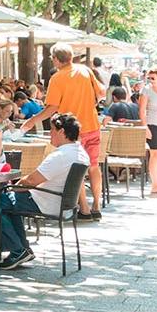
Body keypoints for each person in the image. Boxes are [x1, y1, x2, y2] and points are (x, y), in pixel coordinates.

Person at [0, 113, 90, 270]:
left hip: (45, 202)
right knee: (9, 201)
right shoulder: (81, 153)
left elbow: (32, 180)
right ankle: (21, 249)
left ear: (62, 132)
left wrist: (14, 186)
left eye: (52, 129)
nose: (50, 133)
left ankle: (17, 249)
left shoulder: (61, 155)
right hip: (63, 204)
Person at [28, 43, 105, 218]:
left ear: (56, 59)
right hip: (92, 125)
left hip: (72, 129)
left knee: (75, 168)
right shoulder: (85, 70)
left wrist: (33, 120)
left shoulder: (57, 78)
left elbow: (52, 107)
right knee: (93, 167)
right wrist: (90, 104)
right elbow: (101, 92)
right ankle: (97, 206)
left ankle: (84, 209)